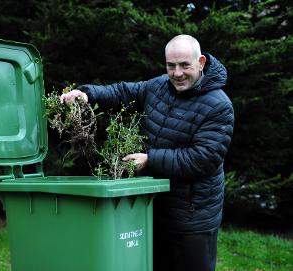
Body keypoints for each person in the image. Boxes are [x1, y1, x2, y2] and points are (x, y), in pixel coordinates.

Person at [60, 34, 234, 271]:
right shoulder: (158, 86)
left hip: (193, 218)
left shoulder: (218, 105)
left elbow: (202, 159)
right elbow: (121, 92)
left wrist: (150, 160)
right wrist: (87, 94)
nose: (177, 73)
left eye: (185, 65)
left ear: (201, 62)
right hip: (153, 208)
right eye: (171, 66)